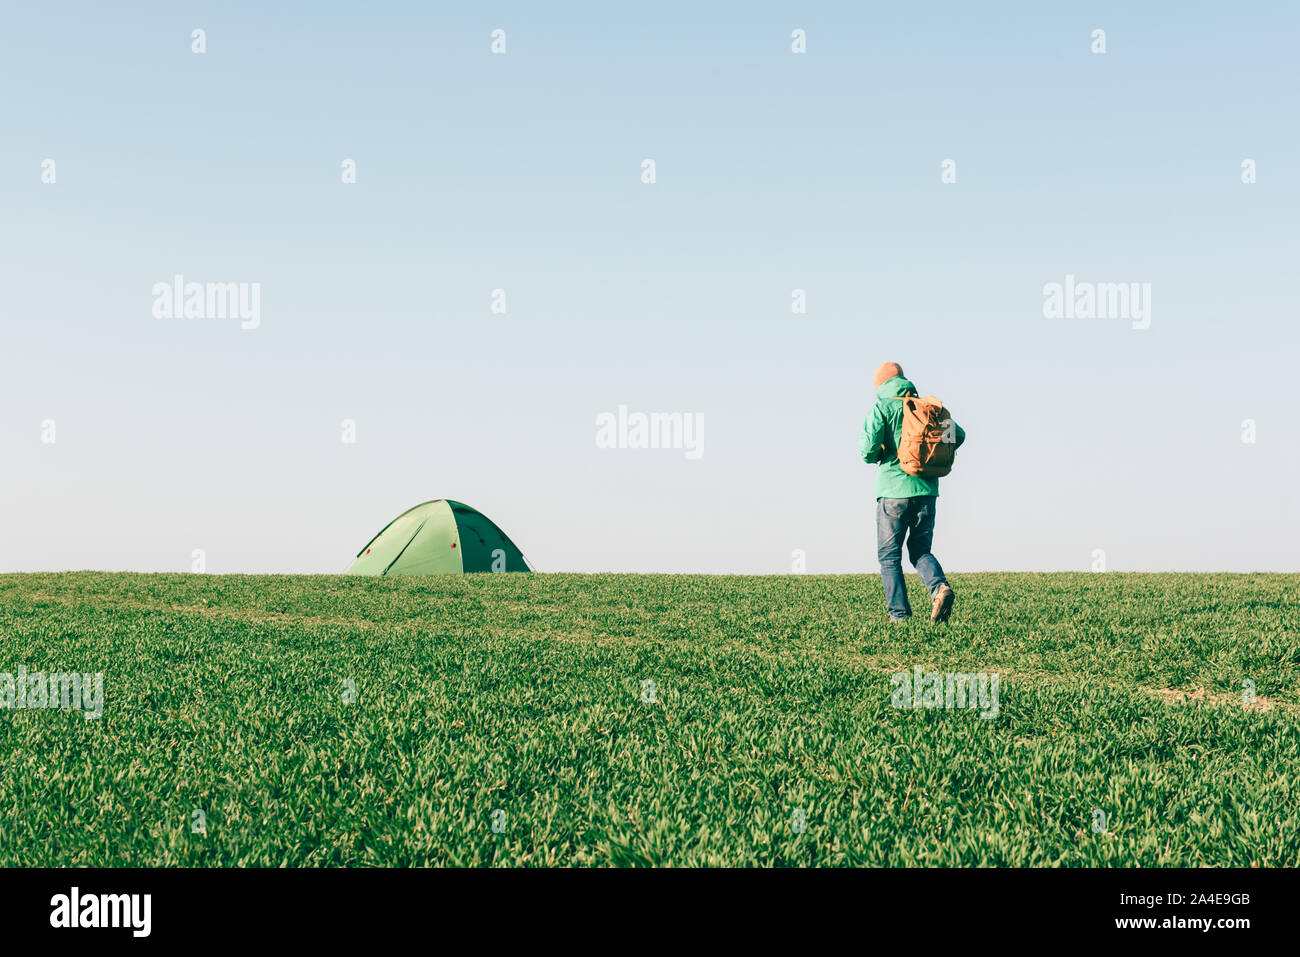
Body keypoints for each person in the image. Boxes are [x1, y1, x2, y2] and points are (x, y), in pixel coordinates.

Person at [859, 362, 965, 623]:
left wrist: (884, 453)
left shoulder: (882, 408)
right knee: (920, 550)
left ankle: (900, 617)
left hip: (893, 492)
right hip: (927, 491)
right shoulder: (926, 409)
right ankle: (939, 587)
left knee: (889, 557)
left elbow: (867, 451)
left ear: (880, 385)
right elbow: (959, 436)